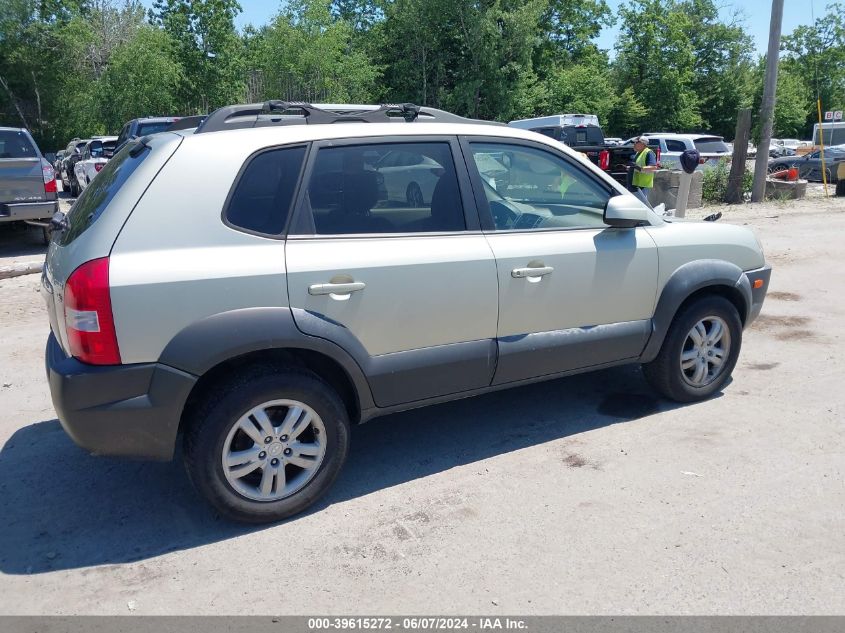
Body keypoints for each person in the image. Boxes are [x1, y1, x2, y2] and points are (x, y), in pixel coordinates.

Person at [628, 136, 658, 206]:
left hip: (642, 186)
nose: (634, 144)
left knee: (642, 206)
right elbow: (637, 166)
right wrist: (629, 168)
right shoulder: (638, 153)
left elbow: (653, 167)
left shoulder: (648, 152)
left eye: (636, 142)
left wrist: (638, 168)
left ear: (642, 143)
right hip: (636, 185)